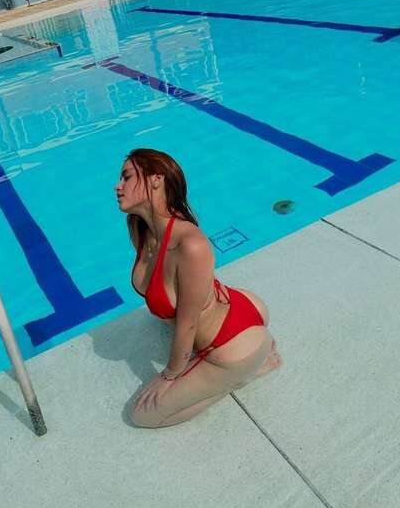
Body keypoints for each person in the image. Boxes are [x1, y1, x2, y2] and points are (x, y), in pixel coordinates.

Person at [115, 148, 281, 429]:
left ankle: (247, 373)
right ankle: (245, 367)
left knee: (142, 415)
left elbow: (187, 325)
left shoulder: (190, 244)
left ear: (156, 180)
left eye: (127, 177)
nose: (118, 186)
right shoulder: (139, 227)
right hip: (230, 306)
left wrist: (169, 375)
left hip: (233, 344)